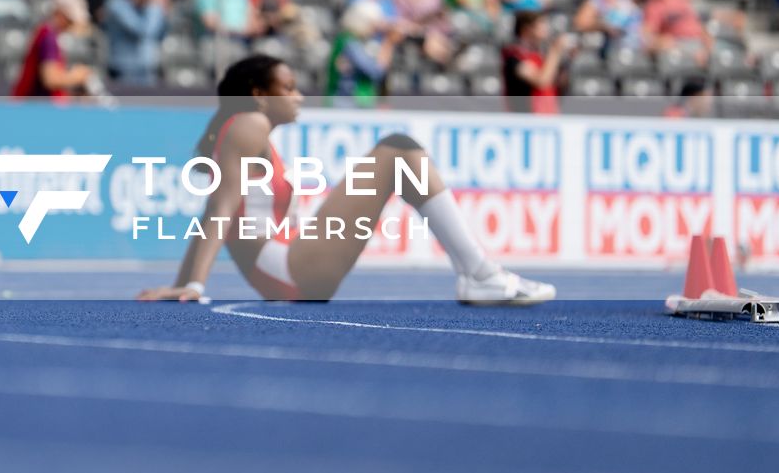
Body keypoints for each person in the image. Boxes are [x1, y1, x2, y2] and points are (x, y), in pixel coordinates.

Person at [139, 55, 555, 304]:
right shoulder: (247, 123)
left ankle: (478, 274)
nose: (299, 96)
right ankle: (479, 274)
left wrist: (182, 284)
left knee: (397, 153)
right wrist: (193, 284)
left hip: (289, 268)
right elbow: (221, 208)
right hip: (290, 271)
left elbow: (217, 208)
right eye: (288, 88)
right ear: (258, 94)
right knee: (398, 151)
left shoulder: (243, 130)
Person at [13, 0, 95, 100]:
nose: (71, 25)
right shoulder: (48, 36)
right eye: (70, 19)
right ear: (60, 14)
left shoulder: (49, 34)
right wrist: (77, 76)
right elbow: (50, 80)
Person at [103, 0, 169, 85]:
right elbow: (143, 31)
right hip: (124, 73)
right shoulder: (116, 5)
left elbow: (160, 35)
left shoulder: (147, 9)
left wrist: (162, 10)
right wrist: (155, 6)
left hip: (148, 72)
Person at [502, 10, 571, 115]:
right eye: (541, 25)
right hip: (525, 119)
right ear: (526, 29)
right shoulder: (514, 56)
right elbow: (542, 82)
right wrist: (555, 52)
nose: (546, 29)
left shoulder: (542, 56)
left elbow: (559, 85)